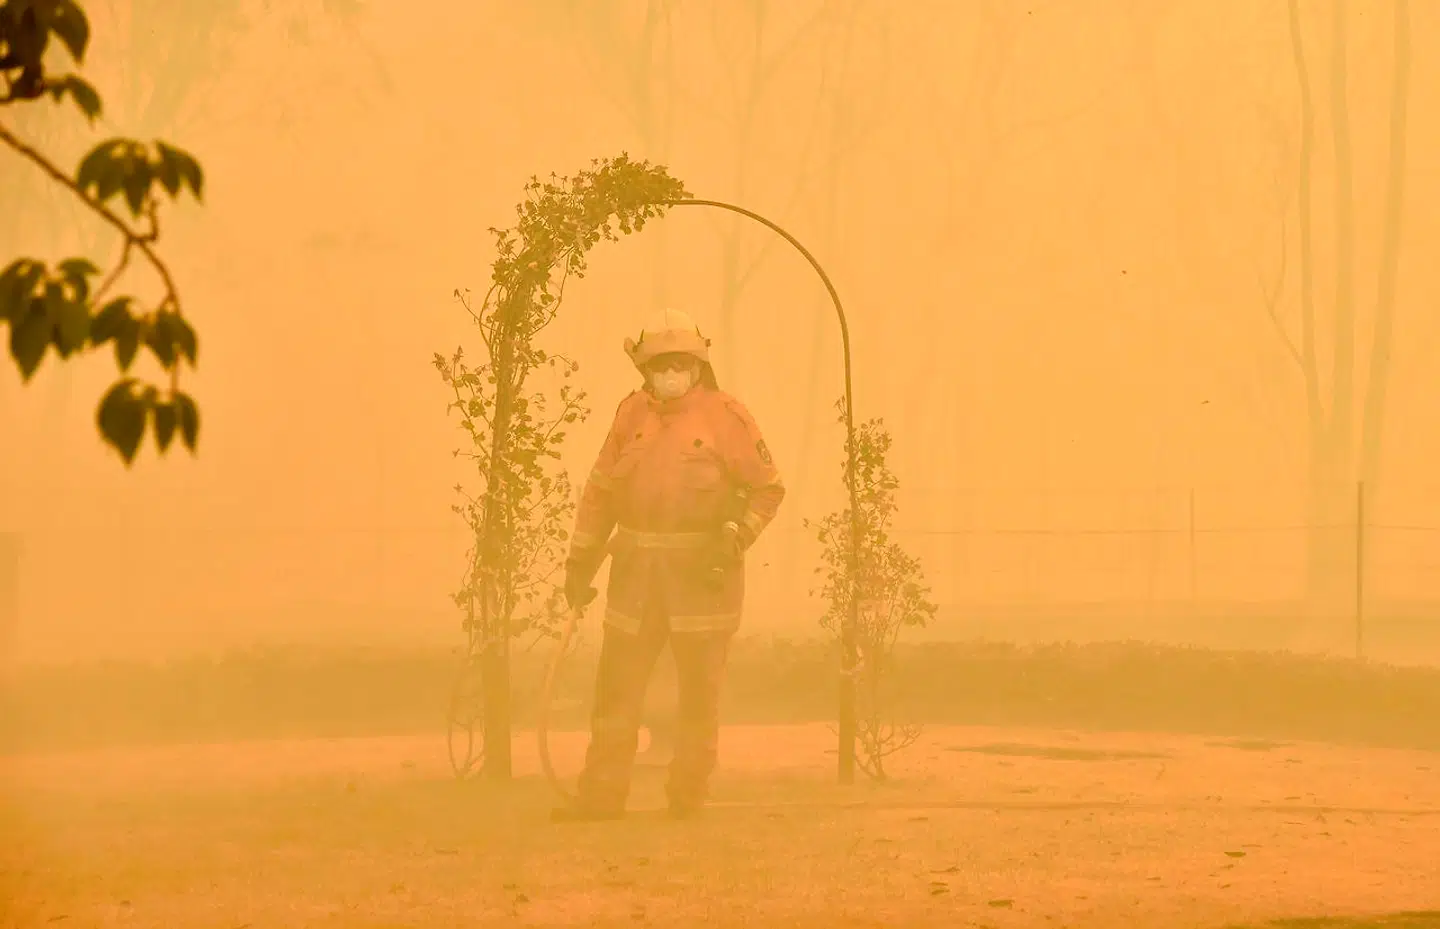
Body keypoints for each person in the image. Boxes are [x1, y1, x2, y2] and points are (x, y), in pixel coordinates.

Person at [554, 308, 785, 822]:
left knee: (698, 697)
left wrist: (737, 534)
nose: (672, 374)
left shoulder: (728, 418)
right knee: (616, 693)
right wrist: (580, 563)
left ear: (699, 367)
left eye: (682, 364)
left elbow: (768, 489)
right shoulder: (629, 415)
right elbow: (600, 492)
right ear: (645, 370)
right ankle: (601, 797)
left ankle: (687, 798)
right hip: (634, 577)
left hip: (702, 580)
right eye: (661, 365)